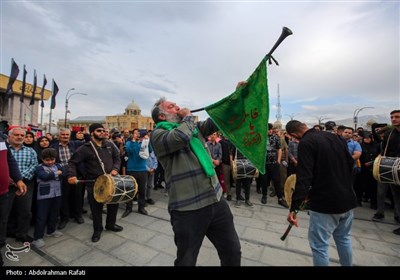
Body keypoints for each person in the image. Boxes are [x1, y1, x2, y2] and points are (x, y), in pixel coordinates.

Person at [150, 97, 241, 266]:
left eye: (176, 104)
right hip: (188, 209)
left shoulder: (192, 128)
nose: (177, 107)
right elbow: (179, 138)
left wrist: (237, 97)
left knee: (232, 250)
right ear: (162, 116)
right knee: (186, 260)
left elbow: (217, 120)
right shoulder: (158, 135)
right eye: (171, 106)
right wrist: (188, 117)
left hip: (215, 200)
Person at [285, 120, 357, 266]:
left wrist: (294, 207)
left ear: (293, 135)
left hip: (326, 202)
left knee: (320, 246)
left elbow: (304, 178)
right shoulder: (335, 137)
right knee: (344, 239)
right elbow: (350, 163)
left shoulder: (306, 142)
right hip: (347, 198)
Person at [68, 123, 123, 243]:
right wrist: (72, 175)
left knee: (113, 203)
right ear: (92, 133)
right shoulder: (85, 148)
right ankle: (97, 229)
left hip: (111, 181)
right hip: (94, 183)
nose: (102, 132)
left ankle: (111, 224)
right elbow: (72, 162)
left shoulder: (109, 144)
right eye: (99, 131)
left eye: (103, 130)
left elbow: (117, 157)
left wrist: (115, 169)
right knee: (96, 208)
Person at [0, 131, 27, 266]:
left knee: (2, 220)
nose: (20, 137)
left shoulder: (1, 140)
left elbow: (10, 161)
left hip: (3, 192)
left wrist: (19, 179)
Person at [32, 148, 63, 248]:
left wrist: (55, 174)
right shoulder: (39, 167)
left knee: (54, 214)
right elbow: (44, 176)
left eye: (52, 159)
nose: (50, 162)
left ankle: (51, 230)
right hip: (44, 196)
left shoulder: (58, 165)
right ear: (42, 159)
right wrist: (56, 173)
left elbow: (65, 173)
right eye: (47, 160)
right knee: (42, 216)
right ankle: (37, 237)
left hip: (57, 194)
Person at [379, 110, 400, 235]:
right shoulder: (389, 133)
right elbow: (385, 151)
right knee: (396, 196)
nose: (393, 119)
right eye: (392, 117)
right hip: (393, 170)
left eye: (397, 117)